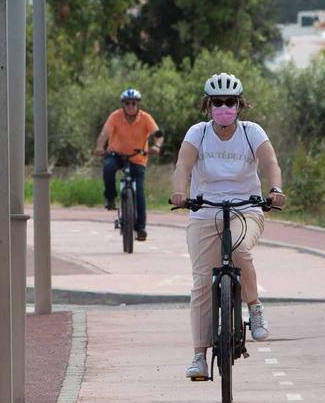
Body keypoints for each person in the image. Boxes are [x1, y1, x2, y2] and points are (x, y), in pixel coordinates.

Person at [167, 72, 287, 381]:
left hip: (245, 209)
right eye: (217, 102)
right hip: (204, 211)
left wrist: (274, 191)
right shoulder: (198, 133)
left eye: (230, 102)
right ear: (208, 105)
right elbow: (184, 164)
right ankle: (198, 355)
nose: (224, 107)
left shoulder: (251, 132)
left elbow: (271, 163)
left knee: (239, 250)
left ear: (239, 105)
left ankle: (255, 307)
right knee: (200, 284)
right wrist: (181, 193)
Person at [94, 88, 161, 241]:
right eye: (127, 103)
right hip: (116, 154)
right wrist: (99, 147)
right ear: (123, 105)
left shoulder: (146, 118)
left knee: (139, 193)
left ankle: (141, 228)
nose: (130, 106)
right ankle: (110, 198)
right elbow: (104, 133)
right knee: (108, 167)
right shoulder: (115, 116)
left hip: (138, 157)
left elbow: (158, 134)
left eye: (133, 103)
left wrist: (156, 146)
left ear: (138, 104)